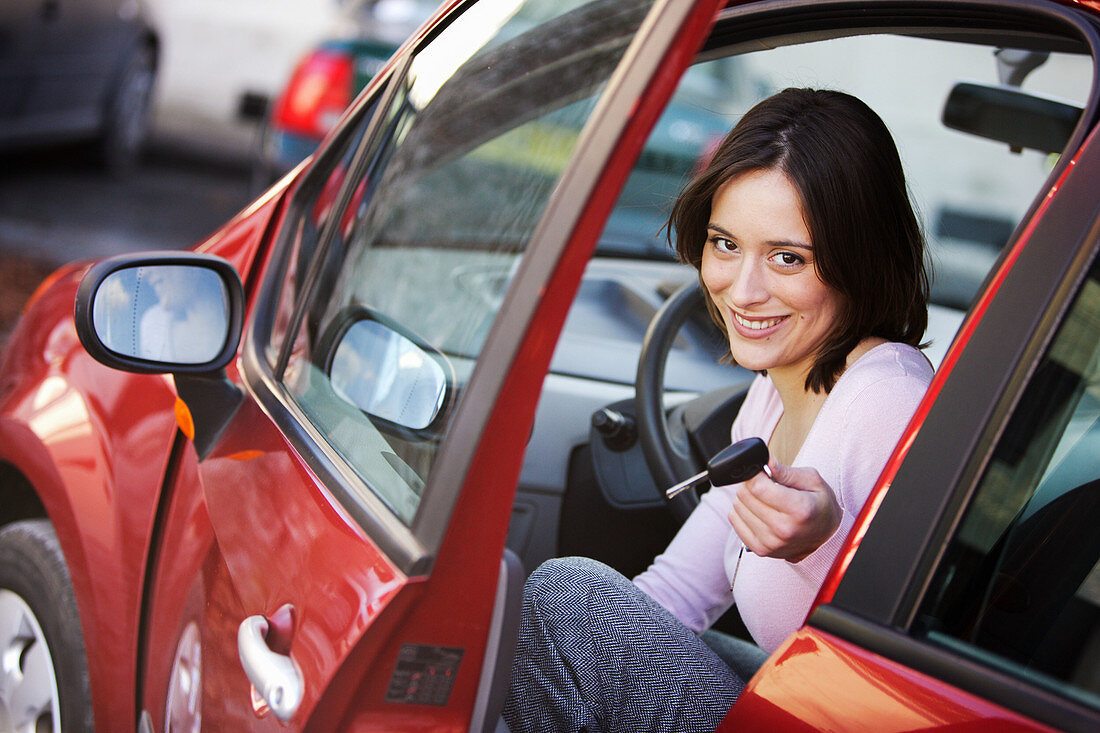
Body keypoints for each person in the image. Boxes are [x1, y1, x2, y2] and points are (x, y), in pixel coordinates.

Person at [502, 88, 934, 732]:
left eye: (789, 258)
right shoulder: (773, 386)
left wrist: (819, 546)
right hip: (785, 693)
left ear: (859, 259)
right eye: (725, 244)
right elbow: (677, 595)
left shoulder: (888, 402)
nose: (743, 289)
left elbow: (891, 663)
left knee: (569, 594)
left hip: (831, 715)